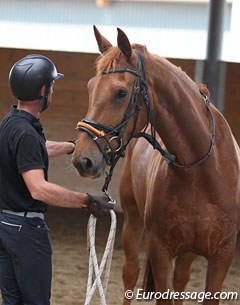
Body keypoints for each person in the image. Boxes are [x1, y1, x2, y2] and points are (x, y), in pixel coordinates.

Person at [0, 54, 114, 305]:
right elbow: (39, 189)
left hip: (5, 226)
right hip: (27, 233)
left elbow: (35, 150)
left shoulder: (10, 124)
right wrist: (86, 200)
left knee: (12, 302)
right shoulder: (26, 133)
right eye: (51, 86)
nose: (52, 91)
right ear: (43, 91)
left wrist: (71, 147)